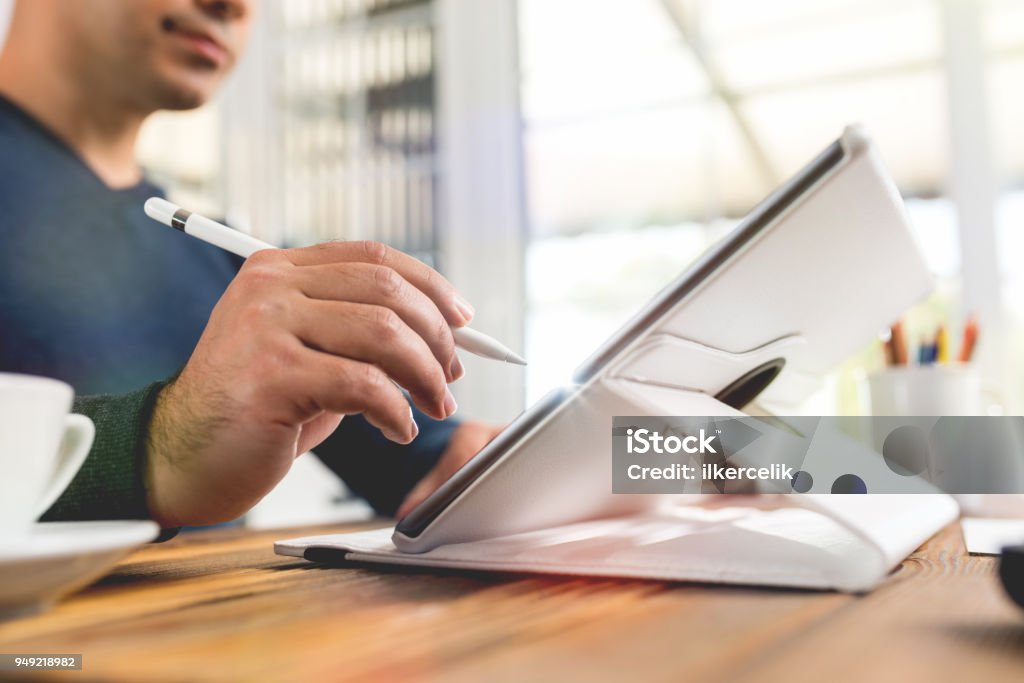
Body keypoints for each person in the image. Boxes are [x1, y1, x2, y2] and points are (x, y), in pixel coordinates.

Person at [0, 0, 502, 528]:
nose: (235, 6)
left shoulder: (226, 258)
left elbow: (429, 470)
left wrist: (484, 465)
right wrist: (160, 447)